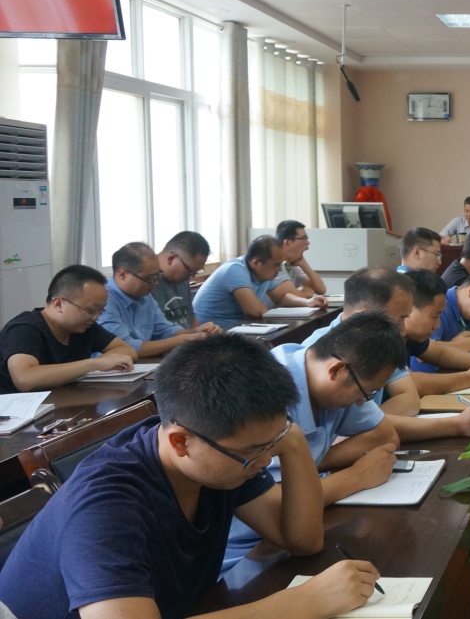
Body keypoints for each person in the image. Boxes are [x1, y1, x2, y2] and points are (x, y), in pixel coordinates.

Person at [0, 334, 380, 619]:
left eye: (273, 441)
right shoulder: (105, 506)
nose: (266, 461)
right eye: (256, 450)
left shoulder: (221, 454)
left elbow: (302, 539)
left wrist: (292, 442)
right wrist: (305, 602)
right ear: (180, 441)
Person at [221, 313, 403, 572]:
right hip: (240, 553)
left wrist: (304, 465)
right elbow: (279, 508)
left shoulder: (333, 385)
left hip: (286, 538)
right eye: (366, 393)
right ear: (337, 370)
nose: (362, 402)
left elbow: (385, 436)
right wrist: (356, 477)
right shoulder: (266, 391)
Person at [300, 268, 470, 440]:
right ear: (364, 315)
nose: (403, 331)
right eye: (398, 320)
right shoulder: (318, 356)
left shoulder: (379, 344)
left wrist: (369, 425)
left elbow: (409, 397)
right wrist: (371, 427)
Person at [0, 264, 137, 393]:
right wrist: (94, 364)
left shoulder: (83, 327)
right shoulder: (24, 329)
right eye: (90, 310)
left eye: (100, 311)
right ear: (58, 304)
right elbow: (25, 379)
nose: (95, 318)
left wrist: (102, 363)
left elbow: (127, 350)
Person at [400, 268, 470, 396]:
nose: (437, 325)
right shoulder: (387, 337)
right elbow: (411, 383)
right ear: (407, 308)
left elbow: (440, 353)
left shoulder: (411, 336)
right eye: (435, 316)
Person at [99, 242, 220, 357]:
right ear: (123, 275)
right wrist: (182, 339)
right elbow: (125, 347)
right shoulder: (104, 300)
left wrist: (196, 332)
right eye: (150, 279)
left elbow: (165, 330)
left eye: (157, 276)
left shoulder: (145, 296)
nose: (155, 283)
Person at [193, 235, 325, 329]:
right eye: (276, 265)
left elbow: (280, 298)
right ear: (256, 262)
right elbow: (254, 311)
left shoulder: (262, 272)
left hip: (236, 327)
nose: (279, 270)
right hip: (212, 331)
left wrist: (307, 302)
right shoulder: (235, 270)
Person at [151, 230, 211, 329]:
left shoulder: (182, 279)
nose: (191, 277)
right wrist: (194, 334)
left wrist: (205, 331)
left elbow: (190, 319)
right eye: (190, 271)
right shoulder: (146, 283)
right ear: (171, 259)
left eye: (196, 272)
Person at [275, 219, 327, 298]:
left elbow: (321, 290)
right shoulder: (276, 265)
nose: (308, 243)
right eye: (304, 238)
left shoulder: (291, 266)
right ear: (287, 242)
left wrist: (304, 264)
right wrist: (307, 294)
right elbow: (291, 296)